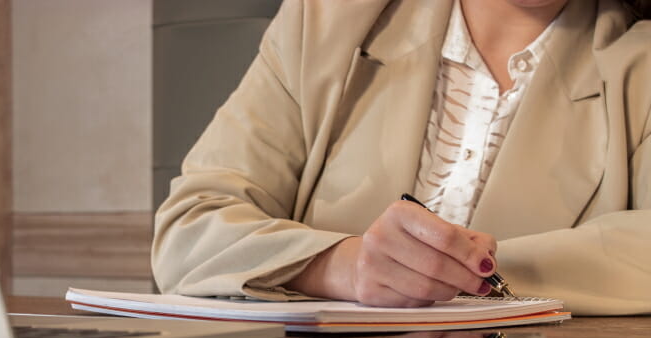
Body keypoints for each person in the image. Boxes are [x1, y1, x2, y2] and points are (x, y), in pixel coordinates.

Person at [152, 0, 651, 315]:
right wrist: (344, 267)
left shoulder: (640, 64)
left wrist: (453, 275)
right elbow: (190, 227)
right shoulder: (320, 23)